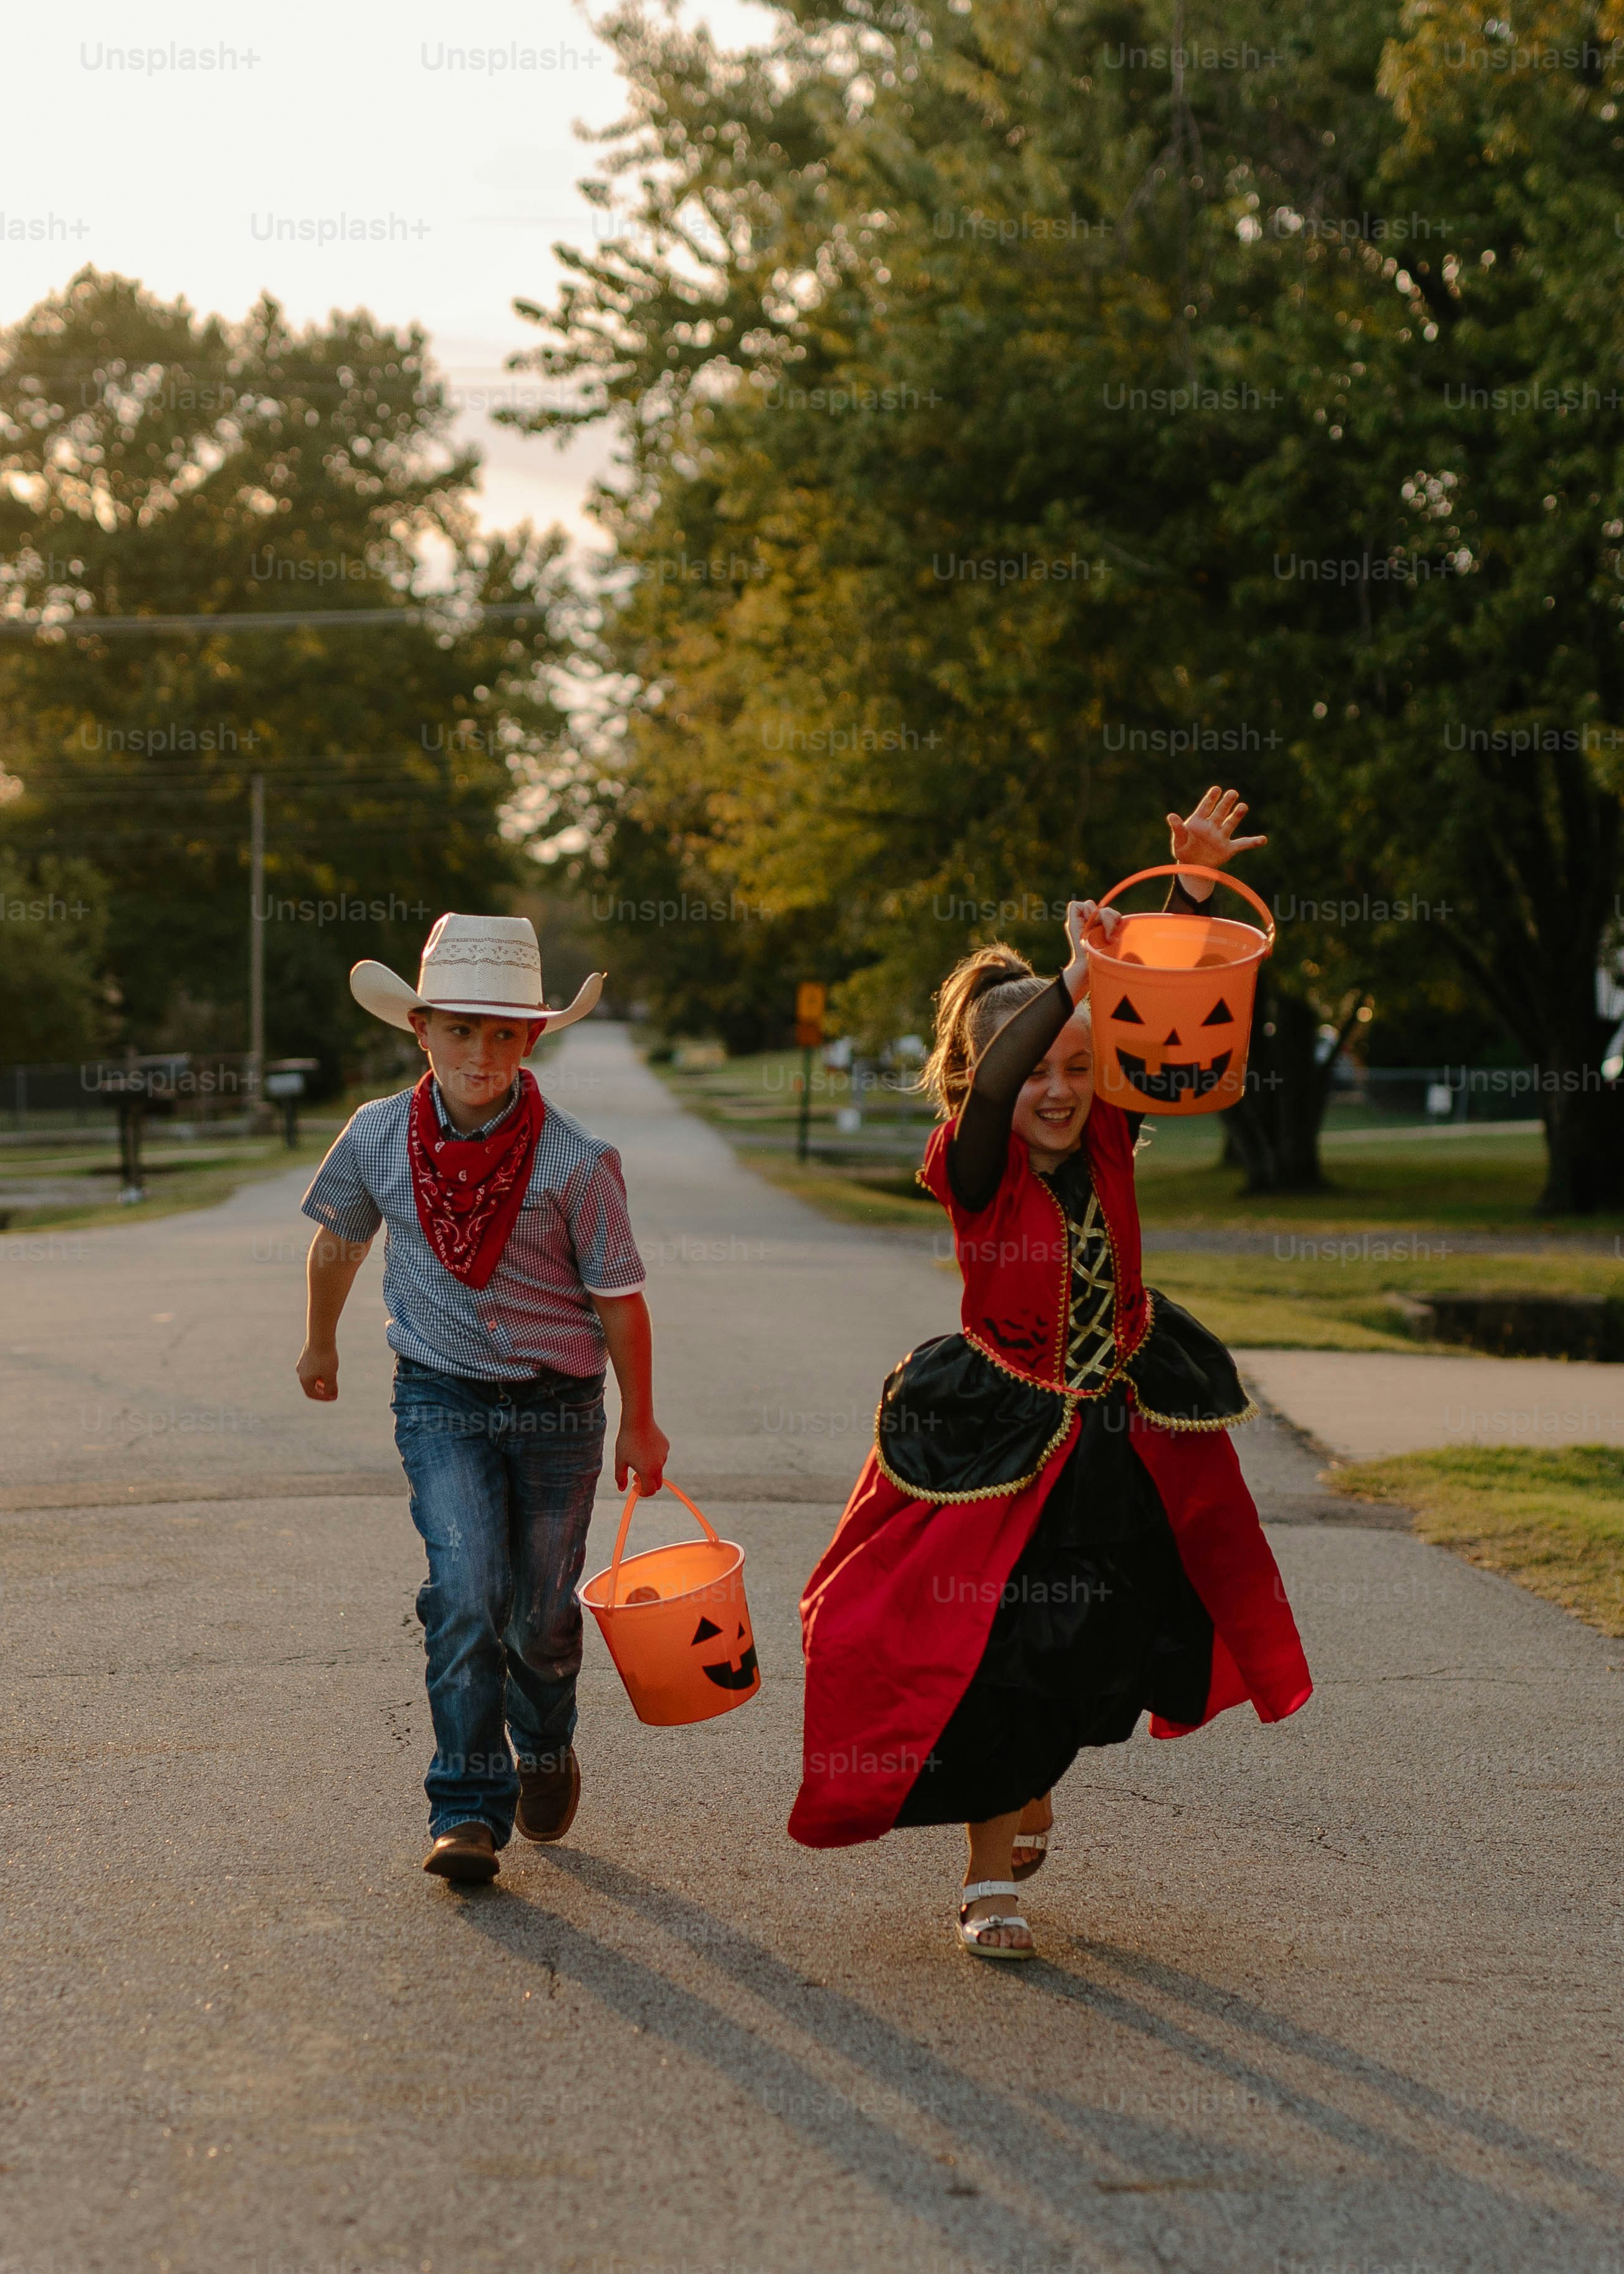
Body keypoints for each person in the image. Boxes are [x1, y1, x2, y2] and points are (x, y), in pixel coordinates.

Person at [788, 790, 1312, 1958]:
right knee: (999, 1656)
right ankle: (989, 1883)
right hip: (1000, 1440)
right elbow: (997, 1086)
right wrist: (1073, 978)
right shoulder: (972, 1163)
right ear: (981, 1081)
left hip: (1117, 1437)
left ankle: (1029, 1784)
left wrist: (1177, 898)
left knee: (1110, 1641)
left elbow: (1165, 1017)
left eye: (1080, 1067)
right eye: (1035, 1072)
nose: (1059, 1090)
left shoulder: (1113, 1130)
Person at [295, 914, 669, 1885]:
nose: (480, 1052)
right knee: (464, 1594)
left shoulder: (576, 1162)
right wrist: (320, 1338)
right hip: (440, 1398)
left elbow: (619, 1300)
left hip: (558, 1410)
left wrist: (640, 1416)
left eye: (503, 1033)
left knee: (542, 1614)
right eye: (459, 1029)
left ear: (533, 1039)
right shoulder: (379, 1133)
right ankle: (465, 1803)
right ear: (419, 1029)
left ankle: (544, 1747)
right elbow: (339, 1235)